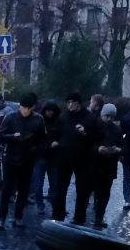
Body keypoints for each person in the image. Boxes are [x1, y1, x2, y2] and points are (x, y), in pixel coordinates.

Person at [0, 94, 44, 228]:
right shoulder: (10, 117)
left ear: (32, 108)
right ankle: (1, 217)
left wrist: (35, 148)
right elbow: (0, 135)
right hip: (10, 158)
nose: (24, 111)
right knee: (6, 189)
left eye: (27, 108)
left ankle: (18, 216)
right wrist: (12, 137)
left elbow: (42, 139)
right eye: (23, 108)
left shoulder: (38, 119)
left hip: (27, 159)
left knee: (23, 190)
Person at [75, 103, 123, 228]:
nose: (109, 119)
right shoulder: (93, 126)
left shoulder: (117, 129)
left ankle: (98, 219)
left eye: (112, 117)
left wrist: (117, 150)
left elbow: (122, 146)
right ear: (102, 115)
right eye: (107, 116)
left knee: (103, 196)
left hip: (108, 168)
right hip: (92, 166)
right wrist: (97, 149)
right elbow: (85, 144)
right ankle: (79, 218)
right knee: (85, 193)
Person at [52, 93, 93, 221]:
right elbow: (56, 132)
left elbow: (95, 135)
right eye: (68, 102)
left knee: (82, 188)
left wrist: (85, 133)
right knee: (60, 187)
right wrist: (54, 141)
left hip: (82, 157)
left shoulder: (88, 117)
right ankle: (58, 214)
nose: (70, 105)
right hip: (64, 156)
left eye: (73, 102)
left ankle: (79, 217)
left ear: (78, 103)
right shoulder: (64, 116)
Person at [34, 101, 62, 211]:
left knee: (55, 185)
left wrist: (57, 143)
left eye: (52, 111)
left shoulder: (59, 123)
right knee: (37, 185)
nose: (50, 113)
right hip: (41, 156)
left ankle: (55, 206)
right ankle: (40, 205)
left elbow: (63, 137)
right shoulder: (39, 121)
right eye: (48, 110)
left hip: (54, 158)